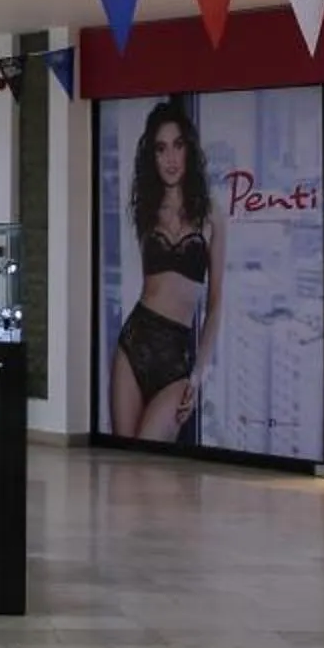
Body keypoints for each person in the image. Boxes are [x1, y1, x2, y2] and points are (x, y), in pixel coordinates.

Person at [110, 99, 222, 443]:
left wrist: (199, 374)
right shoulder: (145, 209)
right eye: (161, 149)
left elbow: (216, 303)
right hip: (134, 343)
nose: (170, 158)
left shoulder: (212, 214)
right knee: (125, 464)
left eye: (177, 145)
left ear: (189, 150)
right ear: (152, 157)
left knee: (149, 456)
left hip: (177, 357)